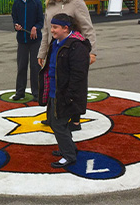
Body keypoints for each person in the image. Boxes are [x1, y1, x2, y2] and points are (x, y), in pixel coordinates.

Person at [38, 0, 97, 130]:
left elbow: (87, 28)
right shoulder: (49, 5)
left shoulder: (76, 2)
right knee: (53, 80)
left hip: (73, 49)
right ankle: (53, 115)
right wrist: (42, 52)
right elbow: (46, 30)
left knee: (74, 83)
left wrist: (92, 52)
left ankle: (76, 121)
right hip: (54, 49)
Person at [38, 13, 91, 168]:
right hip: (54, 91)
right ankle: (69, 148)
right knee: (55, 122)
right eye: (51, 26)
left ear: (66, 28)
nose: (52, 30)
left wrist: (69, 95)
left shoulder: (76, 46)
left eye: (55, 27)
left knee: (58, 124)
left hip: (65, 94)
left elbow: (78, 74)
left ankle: (69, 155)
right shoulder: (56, 43)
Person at [11, 0, 44, 102]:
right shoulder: (17, 3)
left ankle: (36, 92)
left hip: (35, 40)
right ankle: (20, 92)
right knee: (21, 66)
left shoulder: (36, 3)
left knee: (35, 67)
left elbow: (41, 20)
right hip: (22, 40)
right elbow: (14, 18)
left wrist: (36, 27)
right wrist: (16, 25)